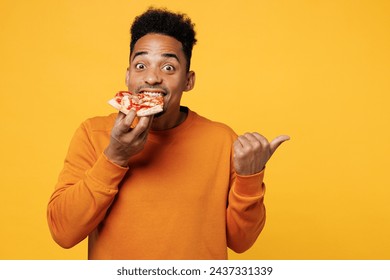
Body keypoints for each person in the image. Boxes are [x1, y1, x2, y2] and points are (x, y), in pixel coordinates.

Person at [47, 7, 289, 260]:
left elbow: (241, 242)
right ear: (128, 75)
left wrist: (249, 178)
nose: (152, 78)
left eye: (169, 68)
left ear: (188, 80)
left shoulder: (222, 140)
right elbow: (64, 233)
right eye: (141, 65)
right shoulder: (93, 133)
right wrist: (114, 157)